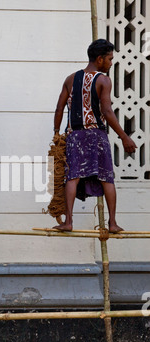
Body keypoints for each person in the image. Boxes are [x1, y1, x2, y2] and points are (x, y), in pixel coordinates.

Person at [52, 39, 136, 233]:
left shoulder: (70, 79)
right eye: (109, 59)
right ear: (99, 59)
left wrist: (57, 134)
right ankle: (112, 223)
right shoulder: (103, 80)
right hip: (97, 135)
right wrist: (124, 137)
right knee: (106, 177)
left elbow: (59, 109)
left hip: (74, 136)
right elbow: (107, 111)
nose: (111, 63)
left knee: (72, 177)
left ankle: (68, 221)